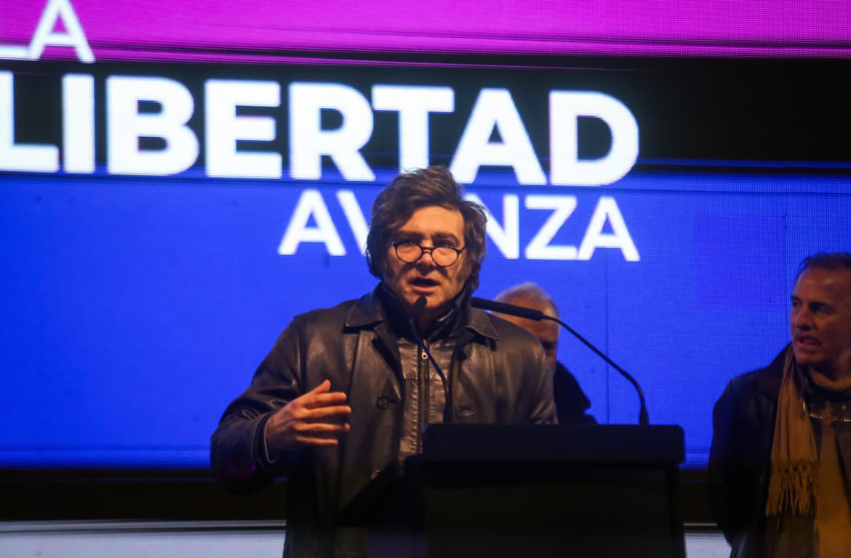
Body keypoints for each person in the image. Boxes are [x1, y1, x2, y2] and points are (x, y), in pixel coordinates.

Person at [211, 166, 556, 558]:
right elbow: (226, 461)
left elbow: (548, 490)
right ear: (379, 254)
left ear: (468, 262)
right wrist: (271, 433)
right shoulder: (315, 340)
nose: (426, 260)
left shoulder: (518, 354)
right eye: (408, 242)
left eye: (445, 244)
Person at [709, 252, 851, 558]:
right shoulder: (749, 398)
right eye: (796, 305)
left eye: (819, 309)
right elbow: (730, 509)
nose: (801, 321)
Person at [494, 282, 595, 424]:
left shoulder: (580, 425)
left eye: (547, 348)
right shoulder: (466, 401)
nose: (539, 360)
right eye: (526, 349)